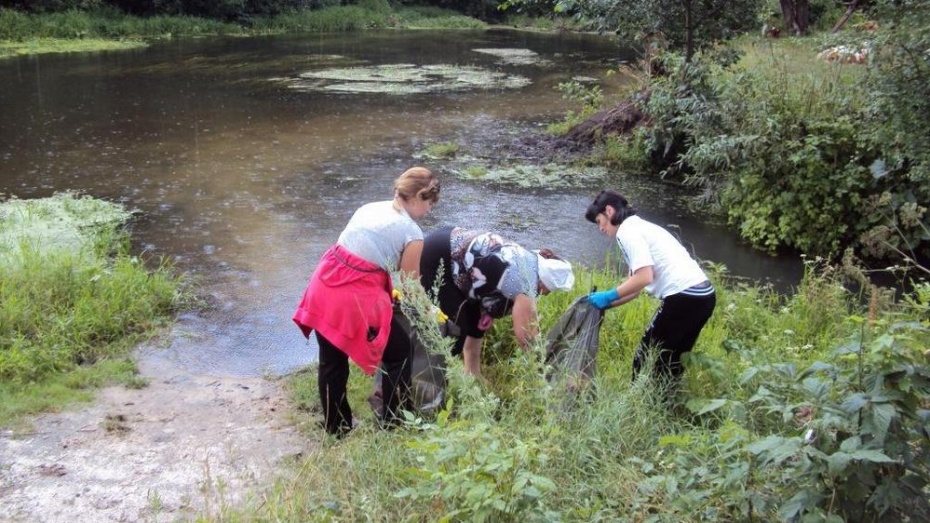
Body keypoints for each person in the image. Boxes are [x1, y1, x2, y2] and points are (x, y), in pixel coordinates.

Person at [292, 167, 440, 436]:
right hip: (355, 297)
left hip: (324, 283)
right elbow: (410, 286)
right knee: (399, 355)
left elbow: (362, 253)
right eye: (430, 203)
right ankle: (395, 424)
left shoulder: (370, 207)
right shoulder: (412, 233)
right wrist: (429, 311)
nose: (430, 210)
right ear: (418, 197)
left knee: (331, 361)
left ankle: (336, 428)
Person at [584, 189, 716, 399]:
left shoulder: (627, 231)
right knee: (672, 359)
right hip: (704, 297)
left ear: (609, 211)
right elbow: (635, 286)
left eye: (599, 221)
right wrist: (606, 304)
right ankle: (665, 402)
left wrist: (608, 295)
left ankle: (637, 405)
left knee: (645, 357)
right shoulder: (640, 226)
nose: (600, 228)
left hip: (683, 296)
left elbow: (644, 277)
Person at [420, 227, 575, 377]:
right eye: (550, 290)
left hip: (449, 241)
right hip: (439, 257)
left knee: (475, 323)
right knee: (455, 328)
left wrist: (488, 311)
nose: (546, 294)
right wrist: (545, 370)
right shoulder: (526, 286)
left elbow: (493, 277)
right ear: (545, 283)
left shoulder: (531, 262)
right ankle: (432, 378)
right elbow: (527, 338)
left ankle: (472, 373)